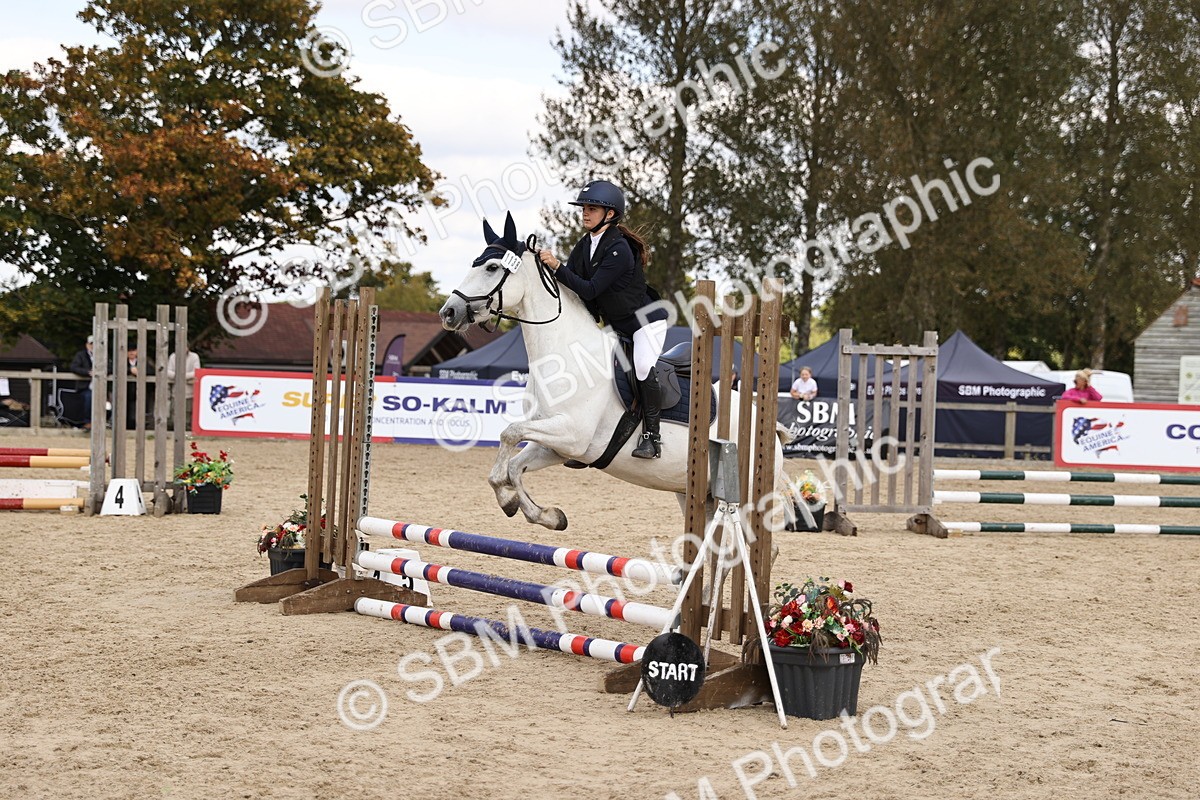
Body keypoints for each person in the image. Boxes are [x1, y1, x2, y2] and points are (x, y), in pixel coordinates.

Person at [537, 180, 669, 459]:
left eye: (592, 208)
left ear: (609, 214)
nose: (585, 213)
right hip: (618, 326)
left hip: (646, 323)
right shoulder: (586, 245)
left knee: (643, 366)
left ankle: (652, 438)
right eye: (584, 207)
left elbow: (590, 289)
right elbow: (569, 282)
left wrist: (557, 265)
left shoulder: (619, 249)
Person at [166, 348, 200, 429]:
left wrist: (182, 376)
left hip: (190, 390)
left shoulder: (194, 356)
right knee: (175, 410)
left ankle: (187, 429)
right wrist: (179, 376)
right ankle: (175, 428)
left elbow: (197, 371)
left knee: (188, 410)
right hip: (176, 389)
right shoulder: (173, 356)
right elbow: (168, 372)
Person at [68, 334, 94, 428]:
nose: (93, 346)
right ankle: (87, 422)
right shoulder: (81, 355)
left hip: (100, 386)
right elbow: (74, 367)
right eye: (91, 344)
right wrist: (88, 372)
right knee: (89, 397)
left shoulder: (103, 355)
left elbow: (110, 367)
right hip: (85, 386)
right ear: (87, 345)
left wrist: (102, 372)